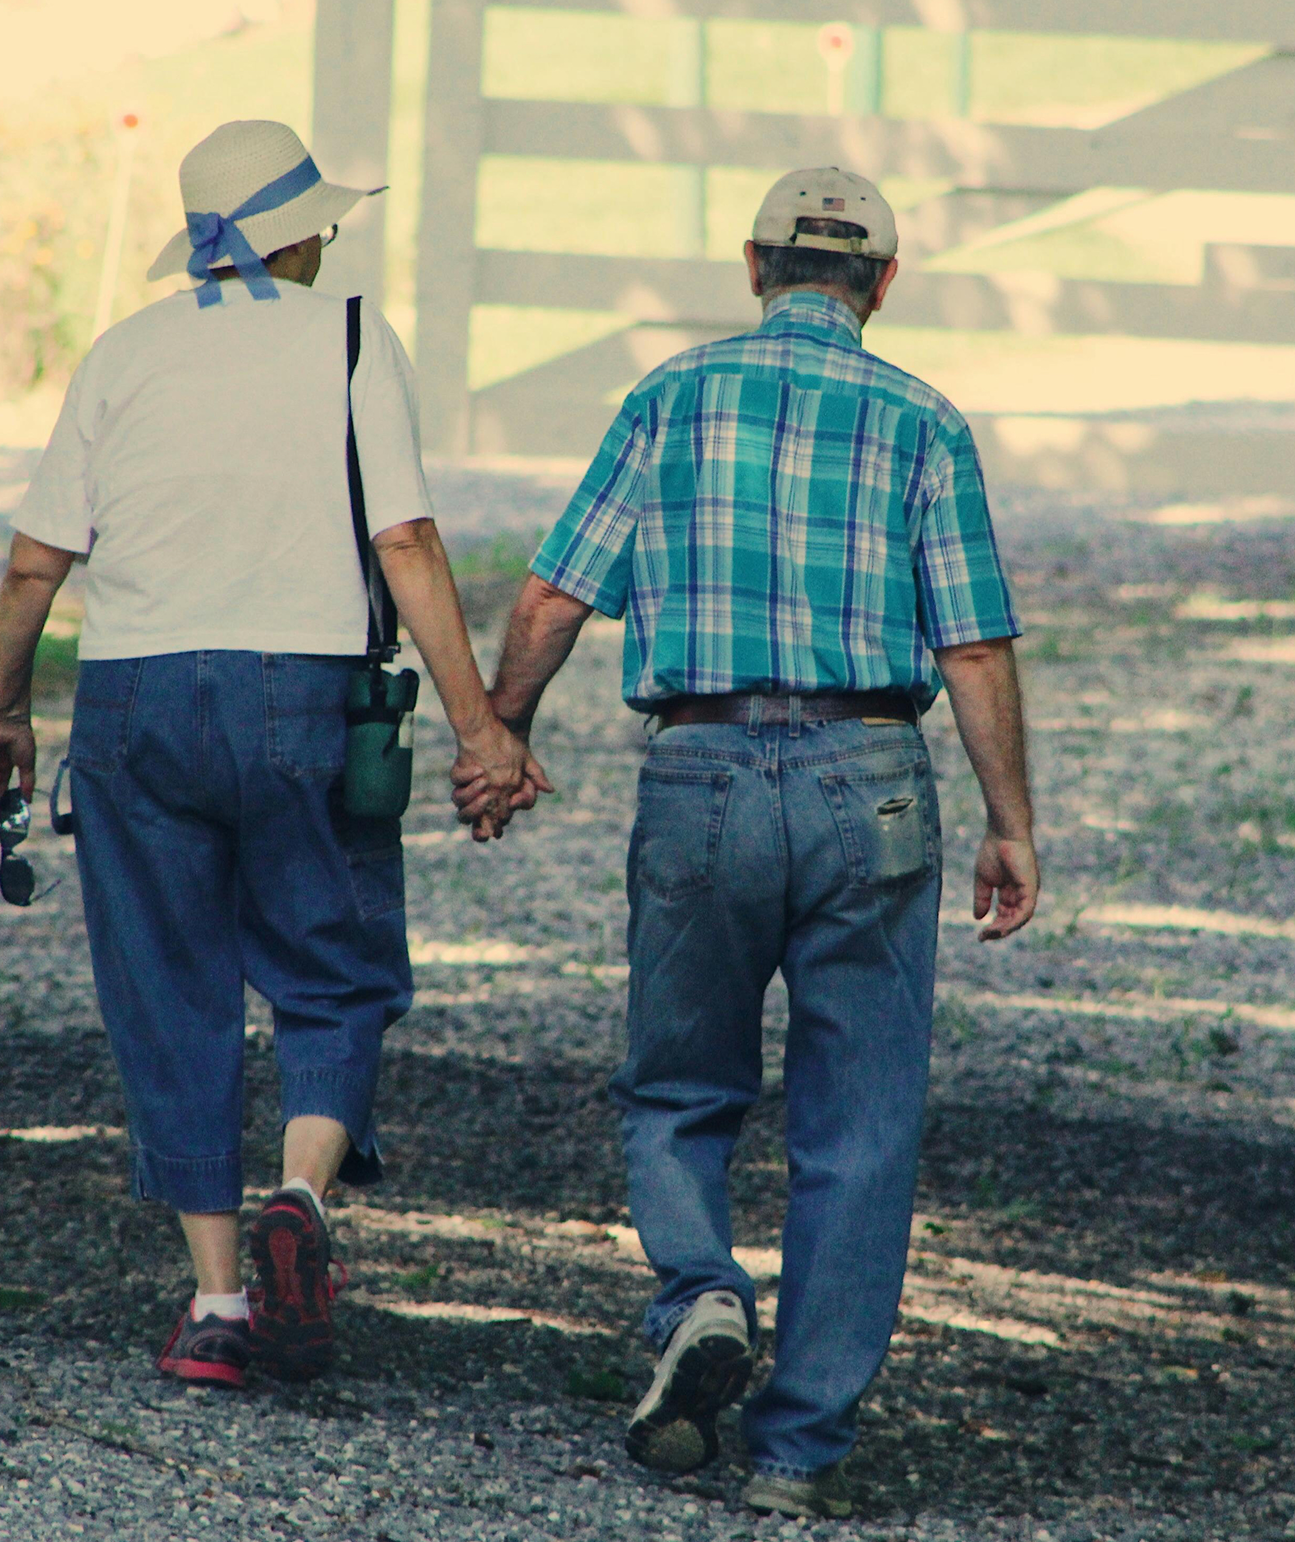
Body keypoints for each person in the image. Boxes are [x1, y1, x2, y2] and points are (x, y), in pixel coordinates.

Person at [462, 167, 1038, 1519]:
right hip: (872, 776)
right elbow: (971, 640)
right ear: (882, 284)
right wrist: (1009, 819)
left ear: (752, 265)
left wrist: (499, 735)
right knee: (862, 1121)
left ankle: (699, 1289)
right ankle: (796, 1448)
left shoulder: (668, 399)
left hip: (702, 767)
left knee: (676, 1084)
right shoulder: (924, 421)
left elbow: (554, 595)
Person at [0, 120, 538, 1391]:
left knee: (168, 992)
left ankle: (221, 1301)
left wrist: (6, 710)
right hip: (302, 692)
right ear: (295, 235)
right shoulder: (347, 338)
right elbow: (405, 542)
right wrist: (480, 728)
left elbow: (32, 564)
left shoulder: (120, 355)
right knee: (331, 969)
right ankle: (303, 1192)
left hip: (135, 701)